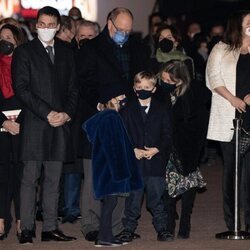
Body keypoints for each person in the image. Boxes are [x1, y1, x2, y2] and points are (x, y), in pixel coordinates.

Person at [77, 7, 148, 242]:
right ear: (109, 24)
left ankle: (116, 226)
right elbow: (83, 84)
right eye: (121, 30)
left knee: (121, 172)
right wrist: (101, 103)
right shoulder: (90, 47)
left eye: (128, 30)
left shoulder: (136, 47)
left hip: (126, 118)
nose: (124, 34)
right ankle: (91, 224)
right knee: (94, 172)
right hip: (98, 117)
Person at [11, 6, 78, 244]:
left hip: (60, 124)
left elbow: (73, 89)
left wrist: (67, 114)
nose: (46, 28)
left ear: (58, 27)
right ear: (35, 25)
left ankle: (50, 227)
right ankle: (26, 228)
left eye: (51, 25)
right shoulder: (24, 52)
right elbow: (21, 88)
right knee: (29, 178)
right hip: (35, 124)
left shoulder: (67, 52)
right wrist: (47, 112)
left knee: (54, 179)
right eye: (42, 24)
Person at [206, 10, 250, 232]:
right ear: (238, 24)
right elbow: (213, 78)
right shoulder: (222, 48)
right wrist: (233, 99)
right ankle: (233, 223)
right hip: (230, 117)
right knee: (232, 170)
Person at [83, 85, 143, 247]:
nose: (124, 98)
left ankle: (106, 235)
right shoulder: (112, 117)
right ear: (113, 100)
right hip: (113, 168)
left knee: (110, 203)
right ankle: (104, 237)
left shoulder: (104, 116)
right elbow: (113, 145)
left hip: (105, 167)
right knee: (110, 204)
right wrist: (120, 170)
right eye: (120, 96)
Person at [118, 71, 173, 242]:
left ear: (154, 89)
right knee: (133, 200)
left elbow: (168, 134)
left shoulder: (162, 109)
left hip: (155, 162)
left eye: (147, 87)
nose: (143, 90)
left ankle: (162, 229)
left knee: (156, 200)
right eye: (140, 87)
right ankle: (128, 228)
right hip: (134, 163)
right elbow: (121, 133)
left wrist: (156, 149)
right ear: (134, 88)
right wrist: (132, 149)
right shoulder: (127, 109)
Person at [159, 60, 209, 239]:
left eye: (168, 80)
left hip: (188, 147)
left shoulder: (193, 96)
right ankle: (170, 222)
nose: (163, 82)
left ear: (179, 81)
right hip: (167, 147)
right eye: (162, 78)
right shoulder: (162, 94)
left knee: (188, 185)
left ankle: (185, 221)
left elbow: (199, 127)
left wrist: (193, 151)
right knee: (168, 186)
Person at [0, 23, 24, 240]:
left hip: (23, 126)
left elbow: (32, 95)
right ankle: (1, 220)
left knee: (21, 175)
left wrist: (20, 122)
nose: (4, 41)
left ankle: (21, 221)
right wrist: (4, 122)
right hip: (1, 126)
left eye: (8, 37)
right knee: (2, 175)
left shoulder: (25, 64)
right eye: (1, 37)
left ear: (17, 40)